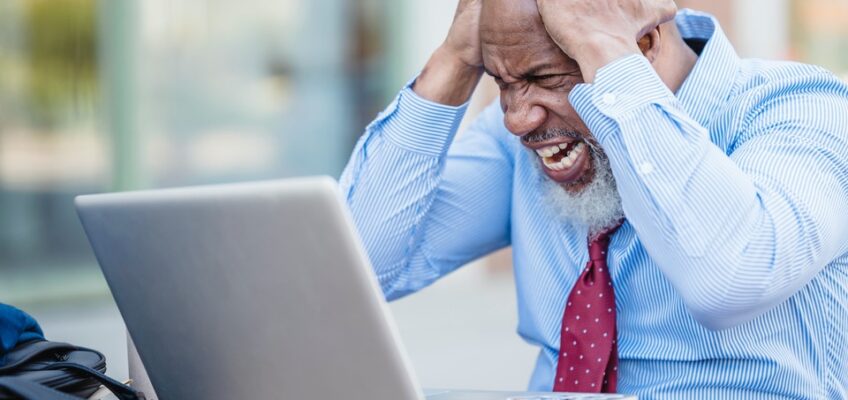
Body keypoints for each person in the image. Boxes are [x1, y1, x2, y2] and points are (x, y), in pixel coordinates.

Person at [340, 0, 848, 398]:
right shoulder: (518, 135)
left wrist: (610, 59)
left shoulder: (805, 110)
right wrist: (451, 60)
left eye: (545, 79)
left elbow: (730, 279)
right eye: (501, 83)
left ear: (643, 43)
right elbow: (356, 269)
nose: (517, 119)